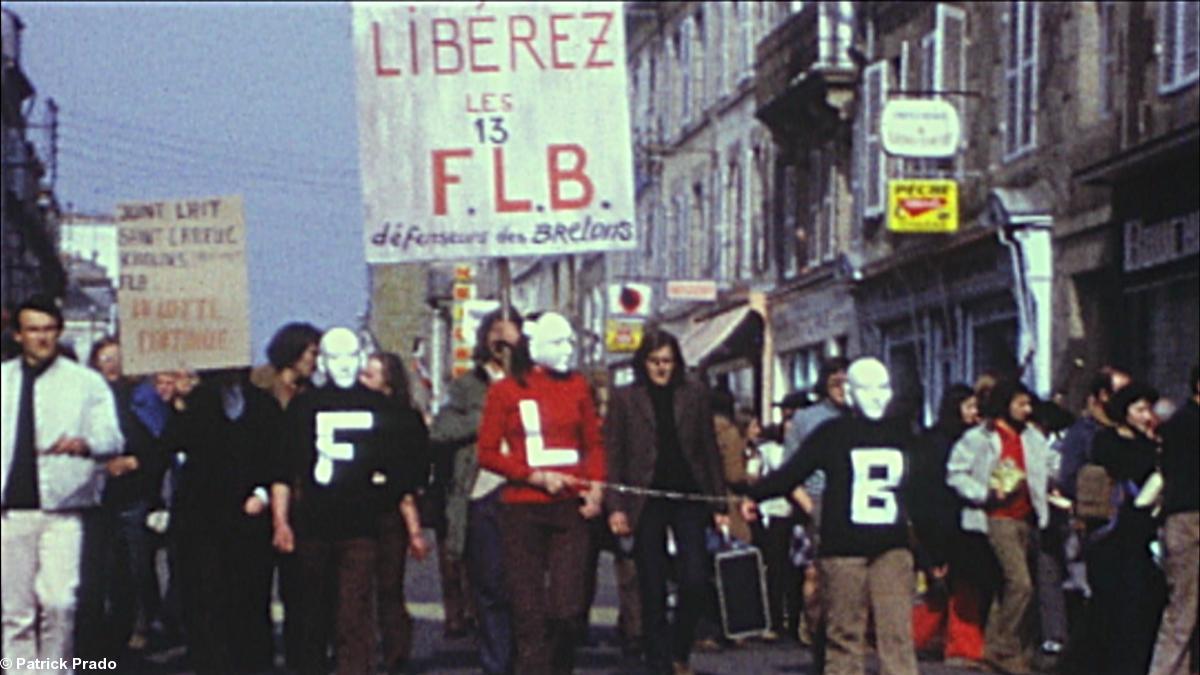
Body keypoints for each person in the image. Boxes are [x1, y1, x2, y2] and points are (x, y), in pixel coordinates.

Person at [742, 357, 919, 675]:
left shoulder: (833, 433)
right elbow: (924, 488)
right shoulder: (902, 432)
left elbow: (790, 474)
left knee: (847, 636)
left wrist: (752, 493)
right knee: (893, 637)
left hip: (850, 544)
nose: (876, 396)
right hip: (882, 543)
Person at [272, 327, 426, 675]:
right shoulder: (304, 406)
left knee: (353, 611)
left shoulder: (380, 409)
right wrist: (281, 522)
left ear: (358, 359)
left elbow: (404, 467)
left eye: (348, 356)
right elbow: (284, 468)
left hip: (360, 526)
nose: (342, 365)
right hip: (314, 523)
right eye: (334, 357)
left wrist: (383, 496)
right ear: (323, 362)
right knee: (315, 610)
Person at [477, 311, 606, 675]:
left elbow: (593, 443)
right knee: (528, 611)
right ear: (534, 347)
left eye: (569, 341)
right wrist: (532, 476)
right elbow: (487, 453)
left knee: (568, 609)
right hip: (521, 510)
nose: (567, 350)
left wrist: (595, 487)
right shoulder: (505, 391)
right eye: (557, 342)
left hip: (570, 508)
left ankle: (560, 666)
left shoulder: (578, 386)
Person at [1, 294, 124, 670]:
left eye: (49, 330)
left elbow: (114, 438)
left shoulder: (86, 384)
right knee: (15, 611)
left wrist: (86, 444)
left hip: (64, 508)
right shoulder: (2, 381)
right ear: (18, 335)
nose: (42, 338)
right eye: (33, 330)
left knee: (60, 602)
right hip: (12, 513)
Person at [605, 330, 729, 675]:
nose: (662, 369)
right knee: (651, 582)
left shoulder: (694, 394)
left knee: (695, 578)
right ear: (643, 363)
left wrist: (720, 505)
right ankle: (659, 661)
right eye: (655, 362)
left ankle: (679, 646)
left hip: (688, 495)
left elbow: (708, 451)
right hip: (645, 498)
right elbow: (614, 454)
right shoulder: (626, 398)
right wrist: (615, 506)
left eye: (668, 362)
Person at [163, 368, 282, 674]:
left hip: (249, 519)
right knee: (205, 598)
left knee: (250, 598)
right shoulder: (198, 403)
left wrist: (263, 494)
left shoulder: (262, 404)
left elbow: (276, 456)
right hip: (202, 520)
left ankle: (252, 664)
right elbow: (172, 445)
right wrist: (178, 405)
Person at [431, 307, 522, 675]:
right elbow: (441, 430)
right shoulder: (468, 386)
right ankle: (496, 660)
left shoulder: (532, 381)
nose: (503, 343)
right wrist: (489, 414)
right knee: (490, 583)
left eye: (510, 334)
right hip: (483, 490)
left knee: (525, 584)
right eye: (496, 335)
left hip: (525, 490)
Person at [947, 378, 1059, 675]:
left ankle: (997, 651)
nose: (1026, 409)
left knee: (1008, 587)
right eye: (1020, 403)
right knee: (1020, 583)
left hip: (1028, 517)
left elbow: (1050, 464)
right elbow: (955, 473)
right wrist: (983, 492)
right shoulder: (980, 437)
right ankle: (1003, 648)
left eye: (1028, 404)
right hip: (997, 519)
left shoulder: (1032, 437)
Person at [251, 320, 320, 669]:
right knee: (256, 583)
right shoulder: (259, 388)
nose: (315, 360)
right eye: (311, 353)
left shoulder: (312, 394)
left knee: (301, 587)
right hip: (259, 495)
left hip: (300, 497)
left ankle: (301, 656)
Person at [908, 384, 993, 669]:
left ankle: (930, 638)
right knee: (951, 587)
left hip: (962, 518)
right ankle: (961, 644)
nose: (974, 413)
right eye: (969, 407)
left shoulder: (973, 439)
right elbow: (927, 490)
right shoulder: (937, 442)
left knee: (958, 584)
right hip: (942, 518)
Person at [1086, 381, 1168, 675]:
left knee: (1141, 603)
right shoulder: (1107, 441)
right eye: (1140, 409)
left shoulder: (1150, 443)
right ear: (1125, 412)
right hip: (1112, 532)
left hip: (1142, 534)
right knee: (1113, 605)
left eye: (1149, 409)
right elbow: (1126, 469)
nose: (1147, 416)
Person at [359, 350, 431, 673]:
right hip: (357, 509)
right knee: (358, 586)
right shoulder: (354, 413)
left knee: (389, 585)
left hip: (391, 510)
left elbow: (413, 475)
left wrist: (414, 528)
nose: (362, 380)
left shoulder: (405, 419)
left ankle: (395, 651)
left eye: (369, 375)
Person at [783, 356, 851, 648]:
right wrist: (808, 506)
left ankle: (840, 633)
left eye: (847, 382)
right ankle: (813, 630)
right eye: (835, 382)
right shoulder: (806, 419)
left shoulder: (860, 418)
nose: (841, 388)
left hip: (851, 506)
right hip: (815, 502)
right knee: (814, 575)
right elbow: (788, 469)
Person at [1149, 365, 1199, 675]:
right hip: (1190, 519)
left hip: (1182, 517)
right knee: (1183, 608)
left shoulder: (1177, 424)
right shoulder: (1188, 425)